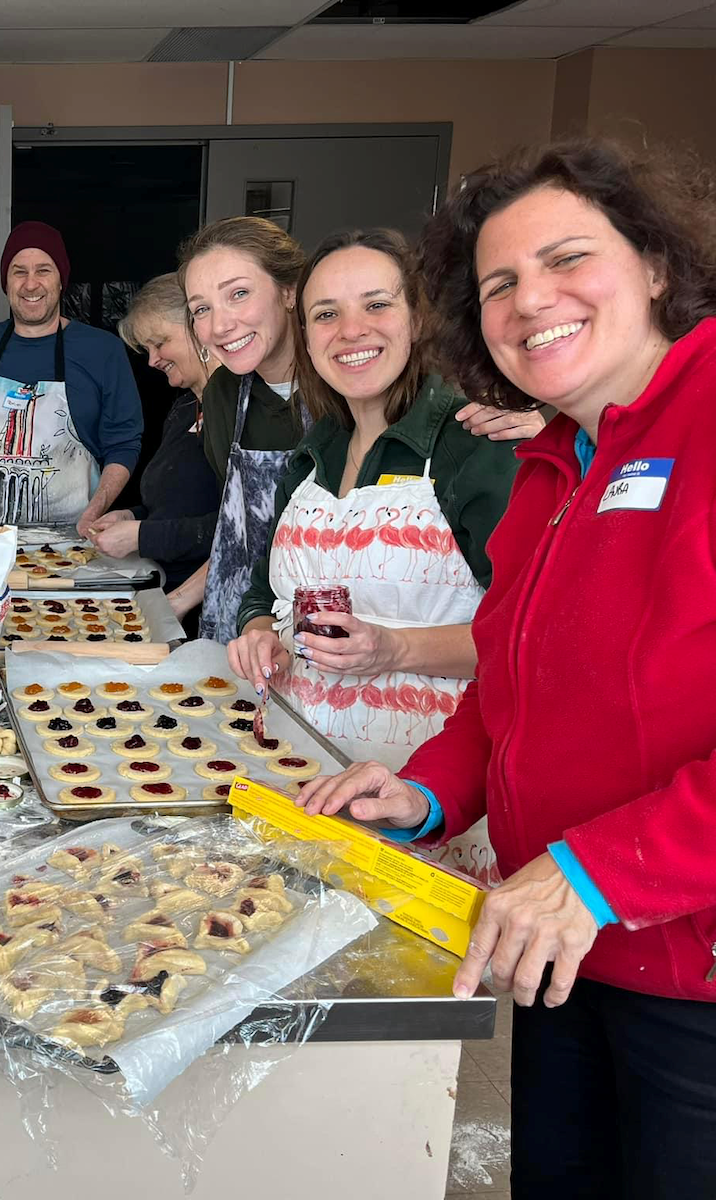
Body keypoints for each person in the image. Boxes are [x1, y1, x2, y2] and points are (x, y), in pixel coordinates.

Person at [299, 139, 716, 1199]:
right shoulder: (550, 468)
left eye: (568, 258)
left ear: (656, 264)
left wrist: (598, 872)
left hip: (689, 971)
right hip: (554, 955)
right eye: (499, 284)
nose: (533, 300)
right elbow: (504, 697)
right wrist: (426, 788)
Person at [225, 228, 530, 770]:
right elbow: (259, 593)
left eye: (376, 305)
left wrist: (394, 649)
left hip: (427, 782)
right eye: (325, 314)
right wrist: (260, 635)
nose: (350, 331)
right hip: (298, 767)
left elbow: (535, 636)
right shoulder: (312, 456)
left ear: (416, 319)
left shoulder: (474, 444)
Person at [0, 220, 143, 533]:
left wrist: (94, 512)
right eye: (19, 271)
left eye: (43, 270)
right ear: (6, 281)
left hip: (75, 538)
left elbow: (123, 441)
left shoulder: (102, 349)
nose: (30, 284)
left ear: (61, 280)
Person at [179, 217, 311, 642]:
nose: (220, 326)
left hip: (334, 635)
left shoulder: (350, 387)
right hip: (243, 634)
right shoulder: (221, 394)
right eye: (202, 309)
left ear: (289, 291)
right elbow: (233, 526)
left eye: (239, 294)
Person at [89, 274, 222, 634]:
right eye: (147, 348)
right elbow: (176, 503)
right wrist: (130, 515)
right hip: (164, 590)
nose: (152, 360)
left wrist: (142, 535)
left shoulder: (237, 414)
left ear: (200, 328)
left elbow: (238, 528)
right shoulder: (183, 409)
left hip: (206, 609)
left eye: (160, 343)